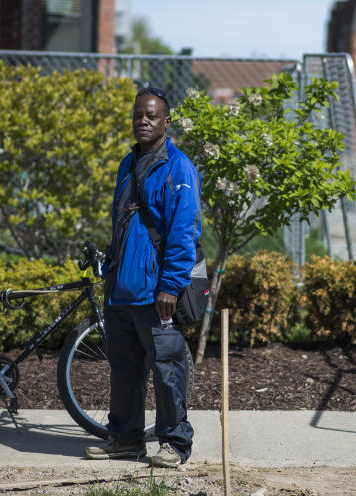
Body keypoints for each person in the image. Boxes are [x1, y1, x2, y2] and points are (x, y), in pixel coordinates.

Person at [84, 86, 202, 468]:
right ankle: (125, 439)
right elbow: (121, 225)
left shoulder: (178, 168)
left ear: (166, 122)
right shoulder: (126, 163)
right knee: (125, 371)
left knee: (167, 368)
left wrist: (170, 285)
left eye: (151, 116)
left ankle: (175, 443)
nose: (143, 121)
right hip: (121, 290)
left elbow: (184, 232)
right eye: (138, 115)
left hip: (155, 293)